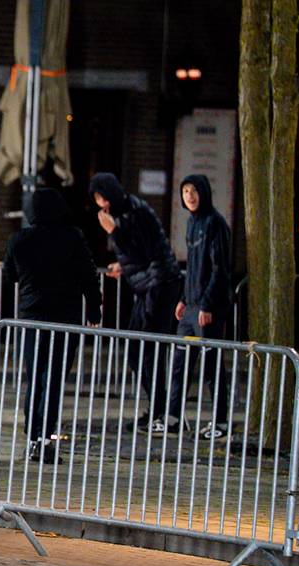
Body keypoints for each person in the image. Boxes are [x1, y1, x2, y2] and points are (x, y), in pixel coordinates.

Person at [1, 188, 102, 463]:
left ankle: (32, 437)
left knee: (34, 378)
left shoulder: (19, 240)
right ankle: (46, 439)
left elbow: (9, 275)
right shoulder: (72, 237)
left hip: (31, 317)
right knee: (54, 379)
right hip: (64, 319)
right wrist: (94, 308)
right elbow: (88, 275)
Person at [89, 172, 183, 430]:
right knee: (138, 349)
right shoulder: (125, 212)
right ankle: (159, 409)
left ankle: (164, 414)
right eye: (98, 201)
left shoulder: (135, 212)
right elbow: (138, 254)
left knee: (149, 350)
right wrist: (124, 266)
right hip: (148, 285)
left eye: (103, 199)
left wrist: (114, 232)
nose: (102, 206)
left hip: (159, 286)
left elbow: (144, 251)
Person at [159, 174, 233, 439]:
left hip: (207, 309)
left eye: (193, 190)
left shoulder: (215, 224)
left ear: (204, 192)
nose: (189, 196)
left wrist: (207, 304)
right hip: (191, 308)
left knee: (212, 365)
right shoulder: (192, 223)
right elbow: (191, 268)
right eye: (185, 191)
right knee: (180, 362)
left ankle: (221, 422)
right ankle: (173, 417)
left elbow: (220, 268)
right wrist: (183, 298)